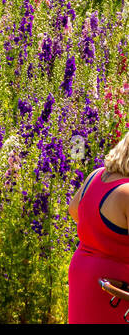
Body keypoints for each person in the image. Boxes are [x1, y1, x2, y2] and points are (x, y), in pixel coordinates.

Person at [67, 132, 129, 322]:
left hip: (82, 274)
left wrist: (100, 237)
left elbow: (73, 210)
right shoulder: (126, 192)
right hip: (114, 290)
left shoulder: (96, 175)